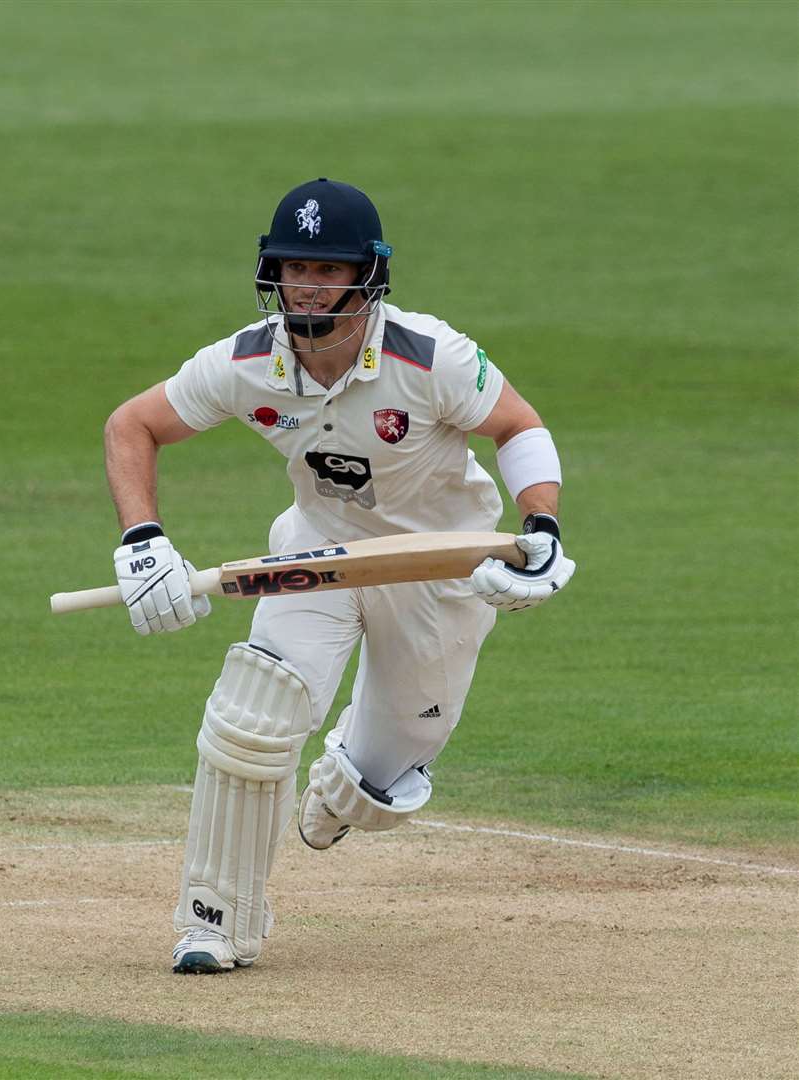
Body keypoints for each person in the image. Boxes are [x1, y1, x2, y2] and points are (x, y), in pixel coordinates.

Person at [102, 178, 575, 975]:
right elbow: (132, 424)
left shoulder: (430, 357)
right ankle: (215, 921)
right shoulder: (249, 361)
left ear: (368, 276)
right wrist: (142, 539)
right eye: (293, 268)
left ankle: (348, 783)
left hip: (436, 565)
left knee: (385, 776)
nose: (308, 285)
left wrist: (544, 530)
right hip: (319, 550)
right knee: (253, 715)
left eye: (327, 269)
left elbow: (518, 426)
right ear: (272, 274)